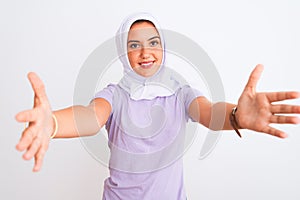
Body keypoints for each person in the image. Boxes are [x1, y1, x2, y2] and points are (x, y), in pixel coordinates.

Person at [15, 12, 300, 200]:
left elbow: (209, 112)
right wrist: (51, 123)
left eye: (153, 42)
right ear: (123, 54)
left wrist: (237, 116)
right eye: (134, 45)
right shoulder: (114, 94)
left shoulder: (181, 93)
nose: (145, 51)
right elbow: (90, 117)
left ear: (163, 48)